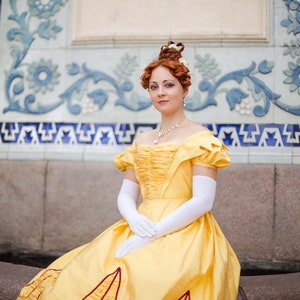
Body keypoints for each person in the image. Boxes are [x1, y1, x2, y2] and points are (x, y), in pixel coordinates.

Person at [17, 41, 240, 299]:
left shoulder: (201, 137)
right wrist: (134, 220)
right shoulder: (142, 140)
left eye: (169, 85)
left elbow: (202, 200)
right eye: (154, 87)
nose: (161, 93)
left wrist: (154, 233)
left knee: (143, 276)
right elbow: (126, 194)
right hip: (140, 223)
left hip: (184, 230)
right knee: (91, 271)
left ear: (185, 89)